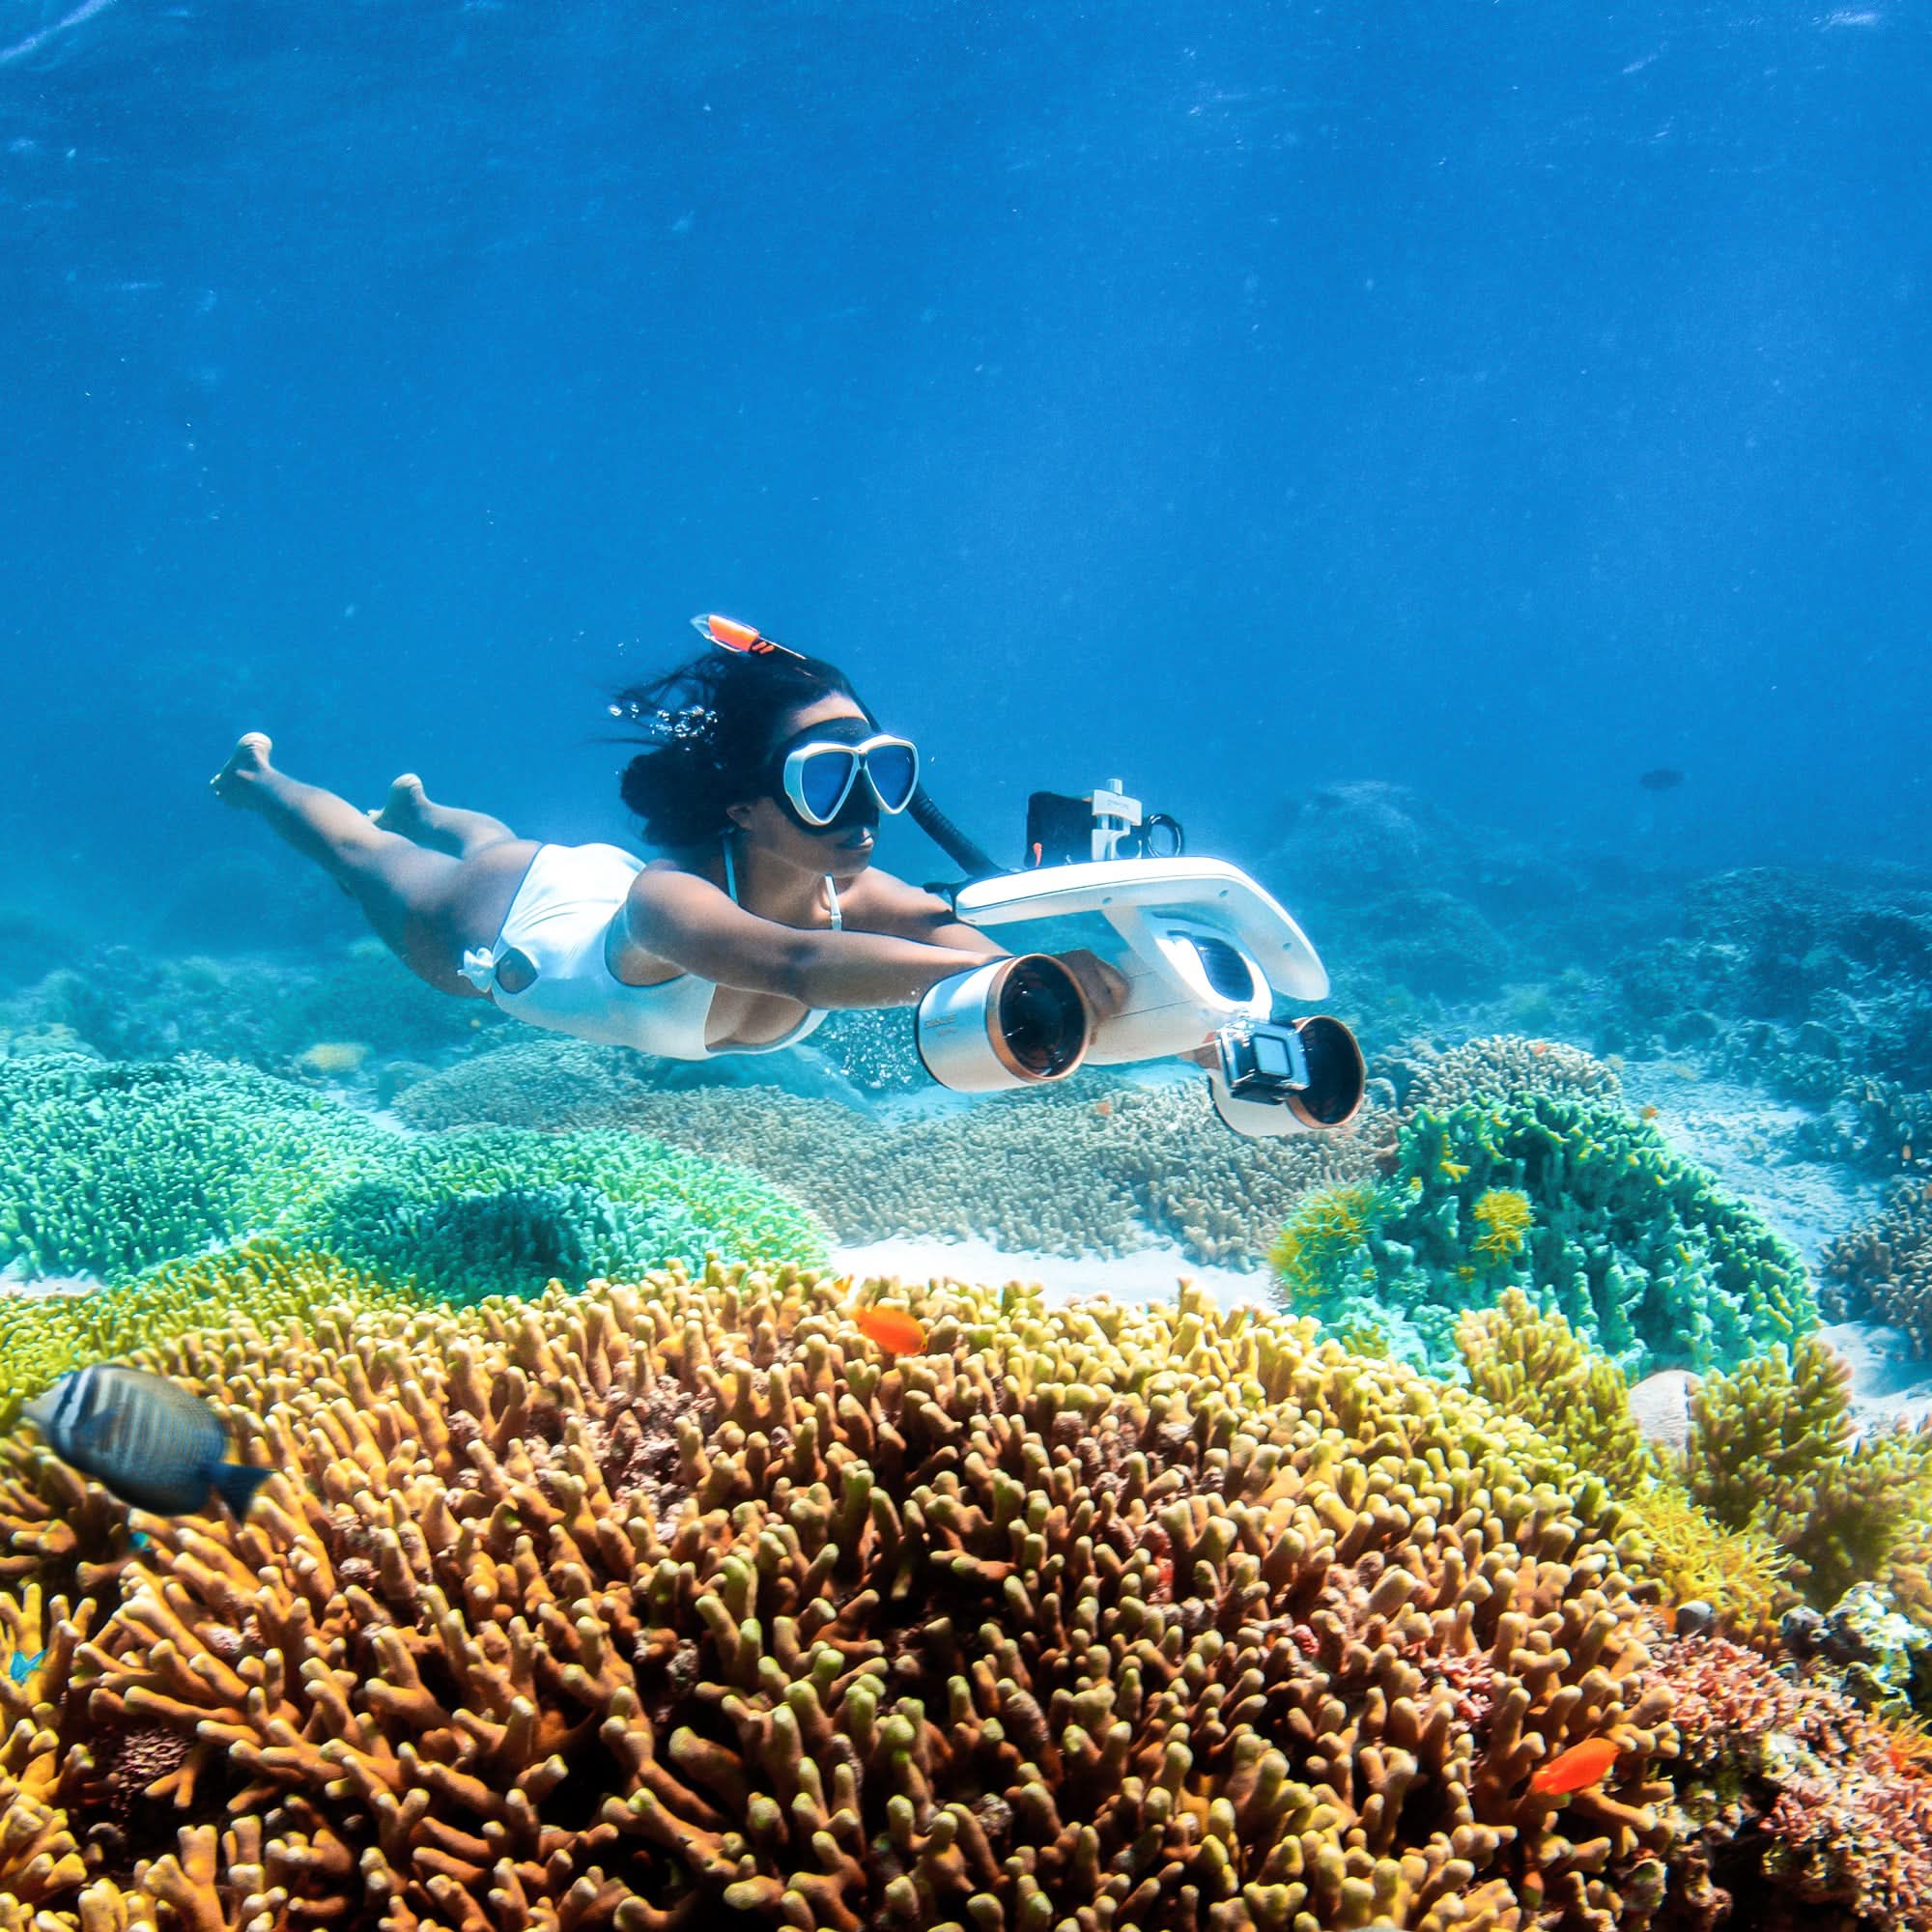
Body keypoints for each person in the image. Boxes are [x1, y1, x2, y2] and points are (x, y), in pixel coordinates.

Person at [211, 625, 1127, 1059]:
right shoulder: (669, 899)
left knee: (488, 834)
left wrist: (1111, 998)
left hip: (586, 883)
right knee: (367, 860)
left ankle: (428, 806)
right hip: (518, 921)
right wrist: (1028, 982)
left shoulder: (851, 892)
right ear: (742, 808)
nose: (864, 809)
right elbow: (795, 966)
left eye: (881, 771)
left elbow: (965, 947)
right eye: (822, 779)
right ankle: (256, 779)